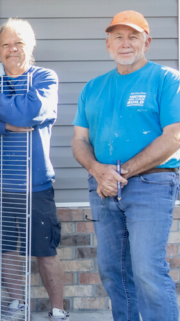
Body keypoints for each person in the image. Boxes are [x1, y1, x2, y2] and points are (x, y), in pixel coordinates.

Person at [72, 11, 180, 321]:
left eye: (133, 36)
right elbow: (79, 140)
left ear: (147, 41)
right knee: (112, 271)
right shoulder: (93, 88)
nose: (125, 43)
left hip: (151, 184)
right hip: (103, 188)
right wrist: (97, 171)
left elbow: (175, 135)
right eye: (118, 36)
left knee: (147, 269)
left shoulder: (166, 80)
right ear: (107, 43)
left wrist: (122, 172)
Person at [0, 19, 69, 321]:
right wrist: (8, 125)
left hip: (35, 183)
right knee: (4, 248)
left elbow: (32, 112)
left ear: (30, 46)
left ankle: (58, 310)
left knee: (45, 250)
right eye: (5, 44)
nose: (12, 49)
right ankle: (17, 303)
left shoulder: (44, 77)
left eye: (18, 43)